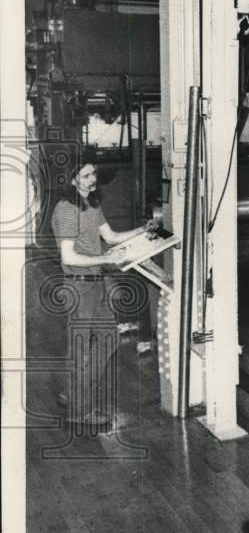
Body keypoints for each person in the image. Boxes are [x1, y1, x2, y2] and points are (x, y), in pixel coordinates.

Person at [50, 154, 154, 429]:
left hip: (94, 284)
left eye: (93, 173)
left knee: (107, 339)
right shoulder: (67, 209)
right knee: (83, 349)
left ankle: (74, 392)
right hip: (79, 286)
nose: (92, 179)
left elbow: (111, 237)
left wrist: (144, 230)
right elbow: (68, 257)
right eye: (85, 176)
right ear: (72, 179)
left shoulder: (90, 204)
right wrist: (105, 260)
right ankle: (78, 411)